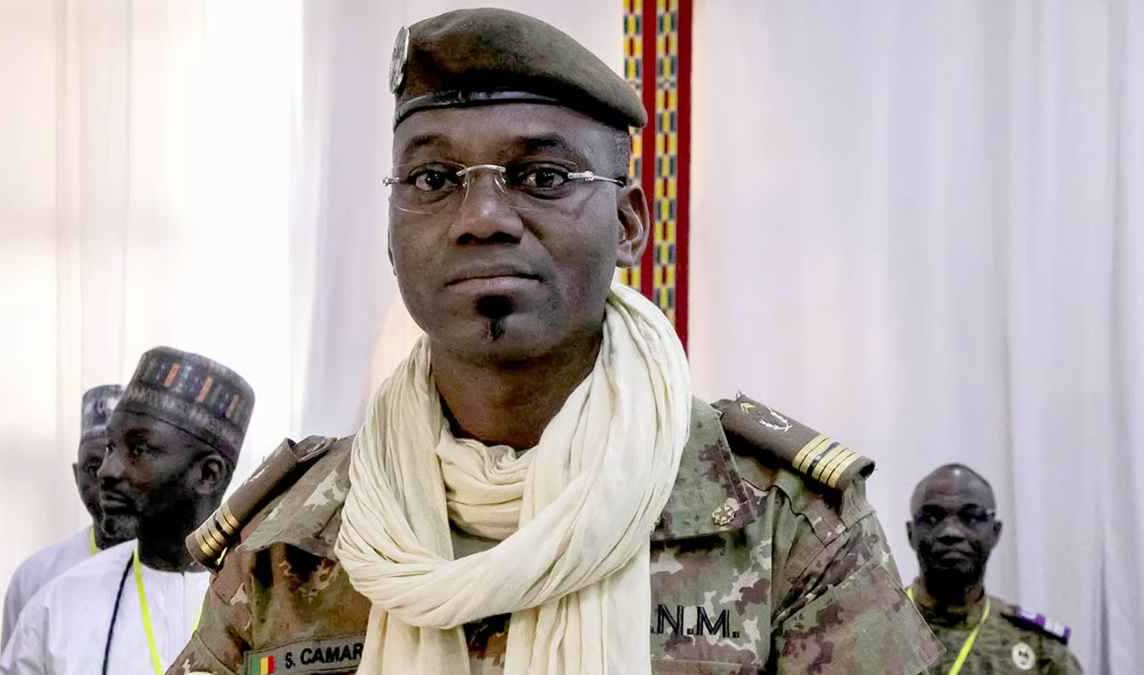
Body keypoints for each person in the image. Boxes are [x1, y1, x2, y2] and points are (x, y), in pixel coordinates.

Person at [170, 8, 940, 675]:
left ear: (629, 223)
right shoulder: (290, 543)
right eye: (433, 179)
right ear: (390, 234)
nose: (481, 217)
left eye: (541, 176)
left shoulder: (779, 525)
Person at [0, 347, 253, 675]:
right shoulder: (58, 607)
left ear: (208, 474)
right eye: (110, 446)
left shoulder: (271, 599)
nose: (106, 470)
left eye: (138, 449)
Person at [906, 464, 1083, 674]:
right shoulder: (874, 628)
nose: (951, 532)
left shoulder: (1041, 649)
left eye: (971, 517)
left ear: (995, 532)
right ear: (911, 533)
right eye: (931, 518)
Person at [0, 384, 129, 649]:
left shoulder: (183, 575)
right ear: (76, 475)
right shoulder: (35, 578)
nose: (107, 477)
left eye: (123, 465)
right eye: (93, 467)